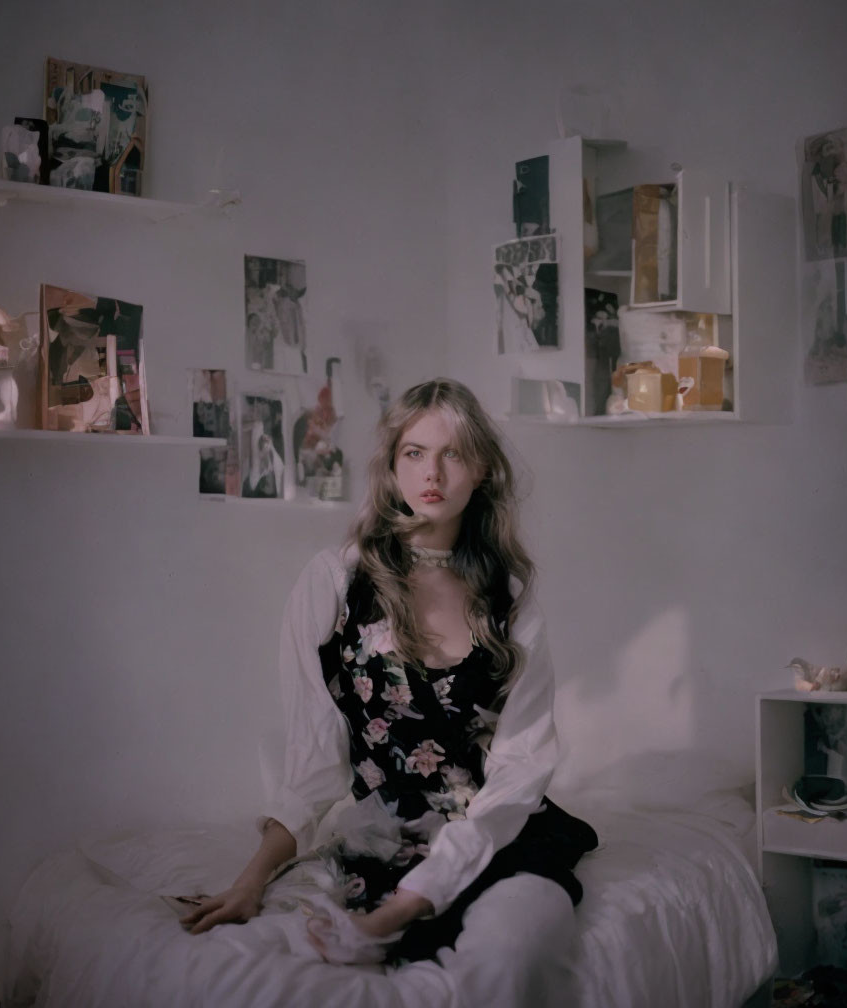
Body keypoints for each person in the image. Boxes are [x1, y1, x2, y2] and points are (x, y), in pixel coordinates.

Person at [183, 378, 596, 1003]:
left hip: (500, 836)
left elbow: (519, 771)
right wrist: (250, 882)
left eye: (453, 453)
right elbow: (315, 764)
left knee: (510, 954)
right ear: (392, 463)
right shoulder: (334, 581)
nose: (432, 472)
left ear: (481, 468)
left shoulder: (508, 597)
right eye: (414, 452)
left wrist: (399, 912)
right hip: (386, 841)